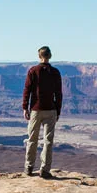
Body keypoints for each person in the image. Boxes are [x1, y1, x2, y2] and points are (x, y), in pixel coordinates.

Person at [22, 46, 63, 177]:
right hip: (50, 110)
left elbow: (27, 90)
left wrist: (25, 107)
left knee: (32, 139)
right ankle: (44, 170)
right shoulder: (55, 72)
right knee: (48, 141)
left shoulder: (33, 71)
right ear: (50, 56)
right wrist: (58, 110)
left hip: (35, 109)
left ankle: (28, 168)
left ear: (39, 56)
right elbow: (59, 93)